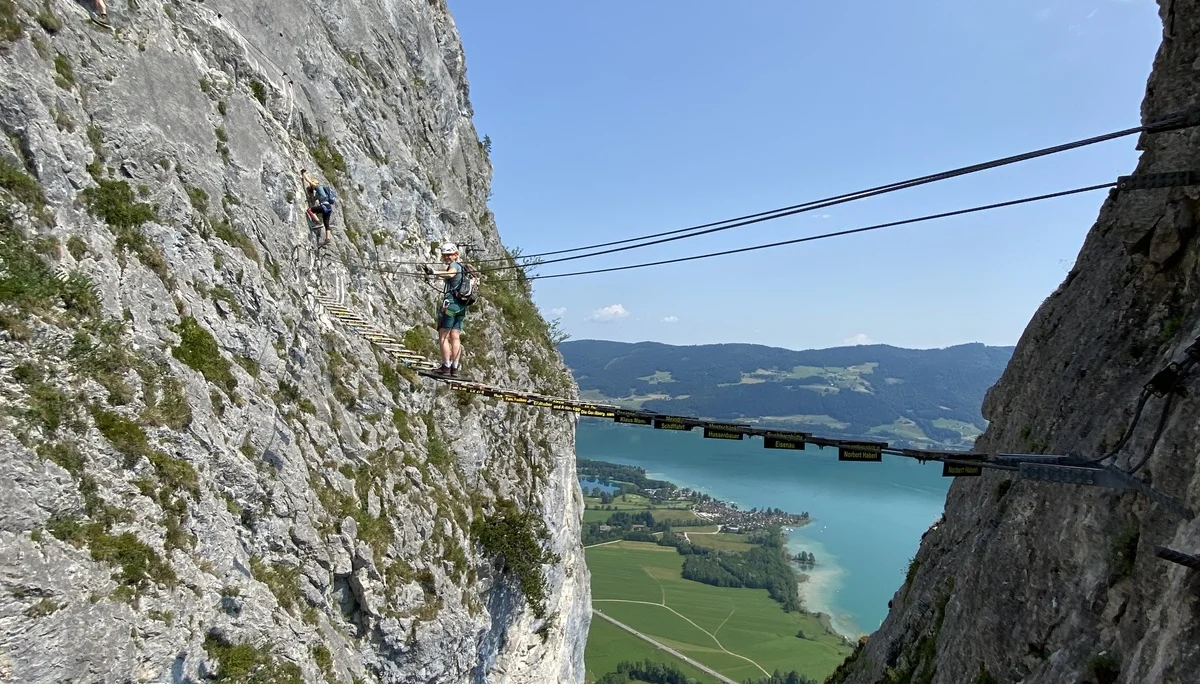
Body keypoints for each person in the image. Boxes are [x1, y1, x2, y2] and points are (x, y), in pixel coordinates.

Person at [422, 242, 468, 376]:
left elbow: (450, 274)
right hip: (461, 306)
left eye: (449, 255)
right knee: (455, 337)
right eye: (445, 255)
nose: (447, 257)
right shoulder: (463, 268)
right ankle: (455, 368)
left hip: (451, 304)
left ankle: (446, 366)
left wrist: (434, 272)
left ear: (455, 255)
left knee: (443, 335)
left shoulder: (454, 266)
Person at [300, 169, 333, 243]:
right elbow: (312, 200)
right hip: (329, 208)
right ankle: (328, 239)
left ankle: (318, 222)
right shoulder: (320, 193)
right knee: (326, 224)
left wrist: (303, 174)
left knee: (309, 210)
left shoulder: (318, 187)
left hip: (324, 206)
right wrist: (311, 192)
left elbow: (309, 181)